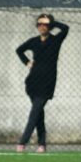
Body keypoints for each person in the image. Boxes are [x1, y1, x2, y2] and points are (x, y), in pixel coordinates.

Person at [16, 14, 68, 153]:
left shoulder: (55, 40)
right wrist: (27, 62)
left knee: (34, 113)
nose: (42, 27)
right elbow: (19, 50)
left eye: (45, 24)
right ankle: (42, 144)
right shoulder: (34, 41)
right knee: (39, 114)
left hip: (47, 83)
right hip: (33, 82)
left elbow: (65, 29)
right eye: (39, 24)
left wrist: (52, 21)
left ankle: (23, 142)